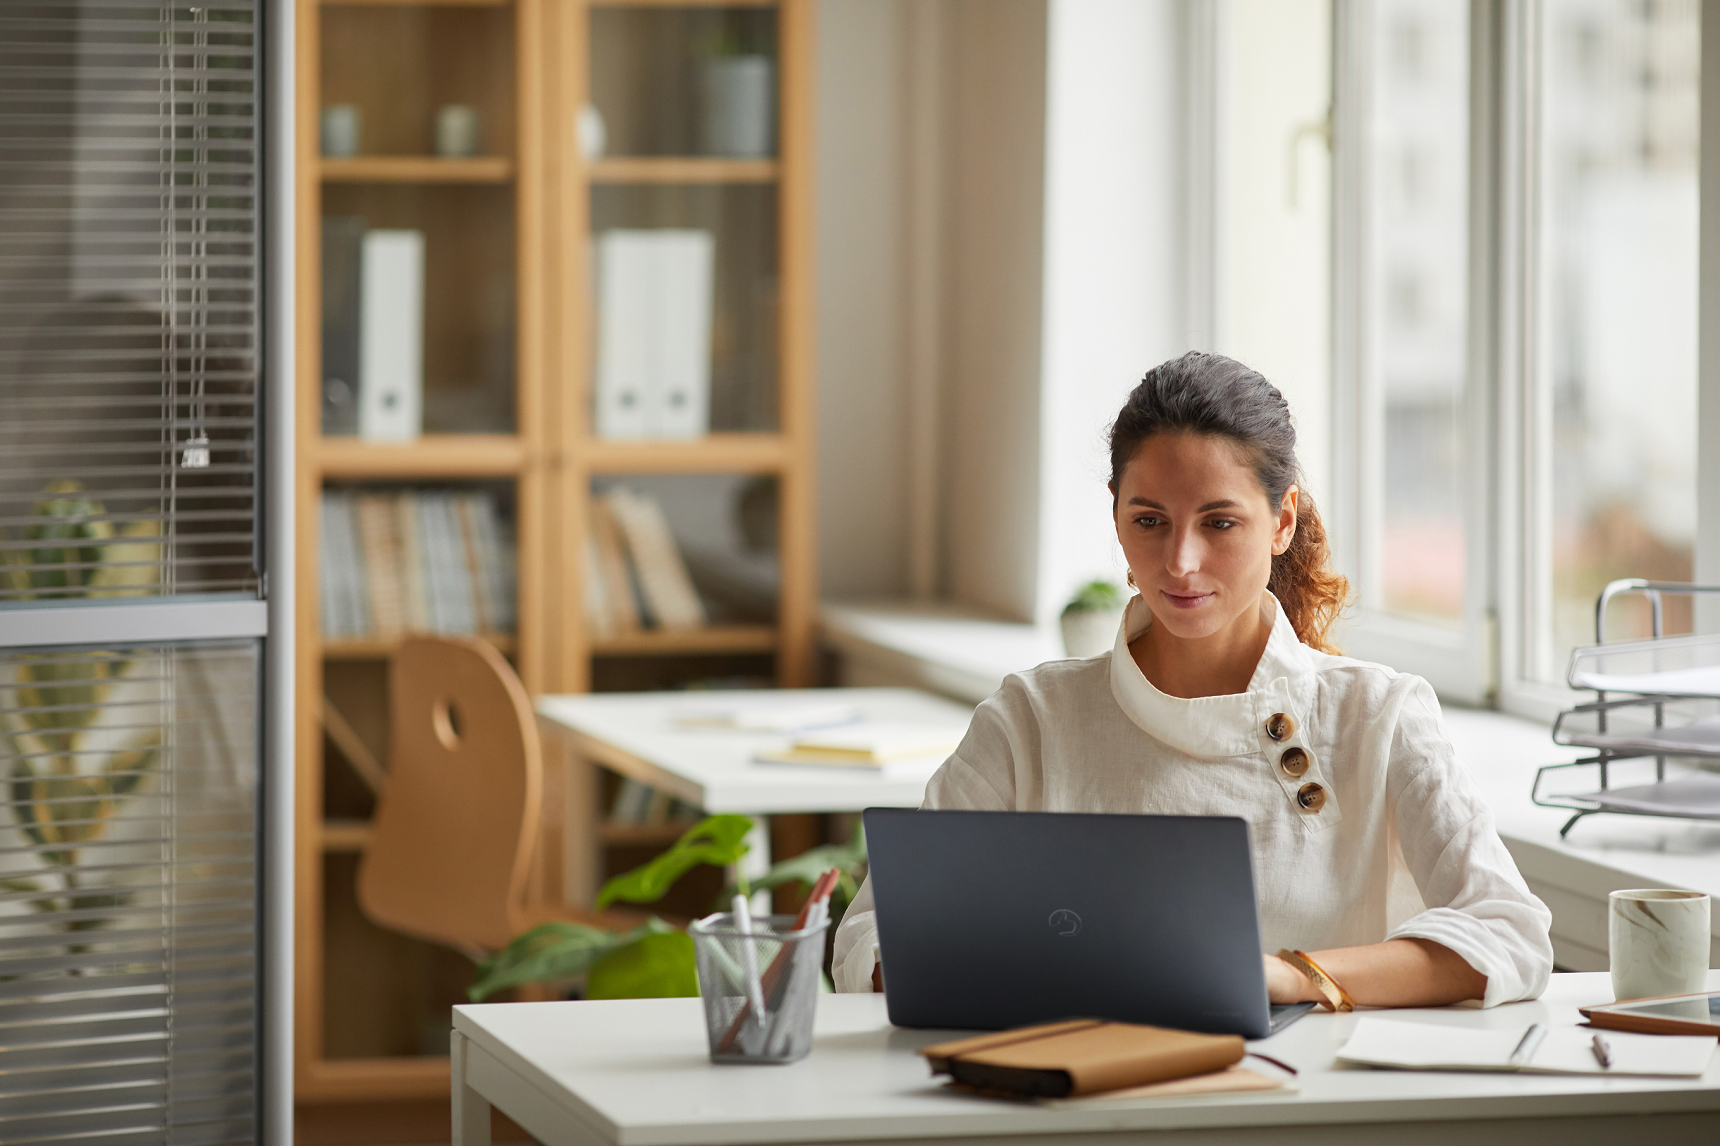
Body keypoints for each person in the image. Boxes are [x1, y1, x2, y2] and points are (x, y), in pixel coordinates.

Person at [832, 351, 1553, 1009]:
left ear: (1281, 520)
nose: (1180, 562)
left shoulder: (1378, 714)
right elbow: (871, 939)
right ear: (1116, 515)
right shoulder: (1033, 719)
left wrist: (1289, 975)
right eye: (1150, 520)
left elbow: (1509, 932)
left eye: (1219, 523)